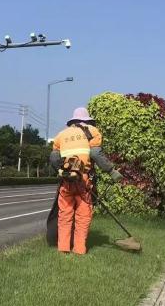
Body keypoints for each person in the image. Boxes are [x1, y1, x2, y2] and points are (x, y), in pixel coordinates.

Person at [49, 107, 121, 254]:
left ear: (73, 121)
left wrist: (61, 171)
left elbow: (54, 157)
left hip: (66, 181)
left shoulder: (62, 134)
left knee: (65, 215)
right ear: (87, 120)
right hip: (83, 181)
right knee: (83, 215)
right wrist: (111, 171)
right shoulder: (92, 132)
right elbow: (96, 154)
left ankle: (63, 248)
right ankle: (80, 249)